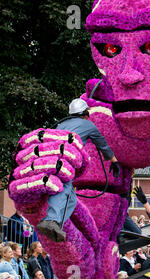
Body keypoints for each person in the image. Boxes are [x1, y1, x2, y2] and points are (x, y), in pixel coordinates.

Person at [36, 98, 121, 243]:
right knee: (64, 189)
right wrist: (114, 161)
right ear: (85, 113)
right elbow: (103, 146)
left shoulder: (60, 125)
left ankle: (55, 226)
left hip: (49, 160)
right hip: (64, 162)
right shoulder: (88, 125)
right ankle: (51, 220)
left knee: (71, 200)